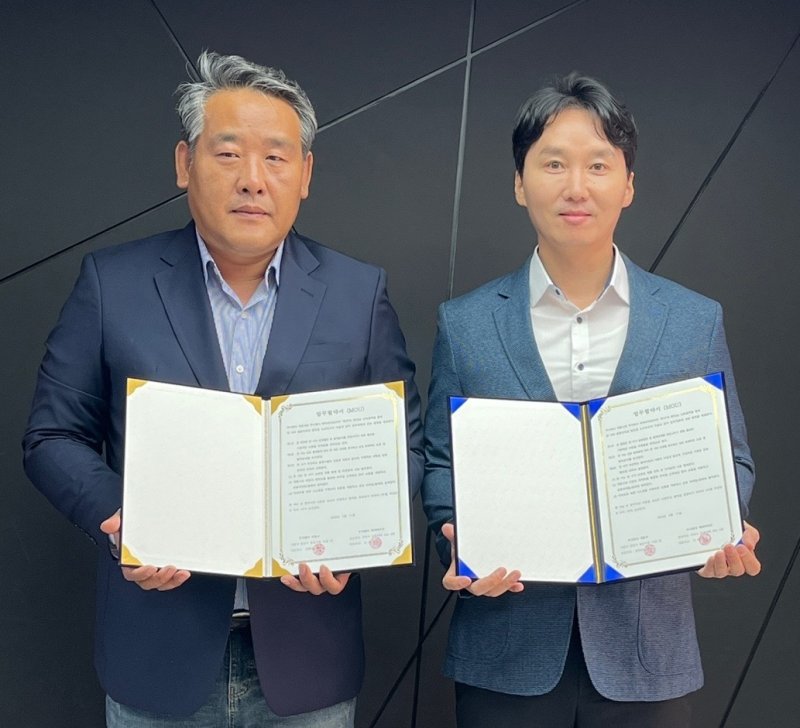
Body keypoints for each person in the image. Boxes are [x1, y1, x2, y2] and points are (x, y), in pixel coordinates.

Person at [23, 51, 423, 727]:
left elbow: (403, 445)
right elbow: (51, 435)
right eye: (229, 153)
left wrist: (355, 535)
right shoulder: (113, 284)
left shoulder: (359, 294)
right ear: (185, 163)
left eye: (276, 158)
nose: (252, 180)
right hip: (157, 650)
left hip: (310, 657)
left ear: (305, 175)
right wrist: (123, 521)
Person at [422, 73, 761, 728]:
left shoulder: (693, 320)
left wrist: (723, 520)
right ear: (520, 183)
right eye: (553, 164)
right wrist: (454, 539)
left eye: (598, 165)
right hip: (504, 650)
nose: (576, 186)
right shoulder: (465, 324)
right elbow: (442, 462)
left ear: (627, 185)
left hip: (648, 658)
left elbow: (732, 456)